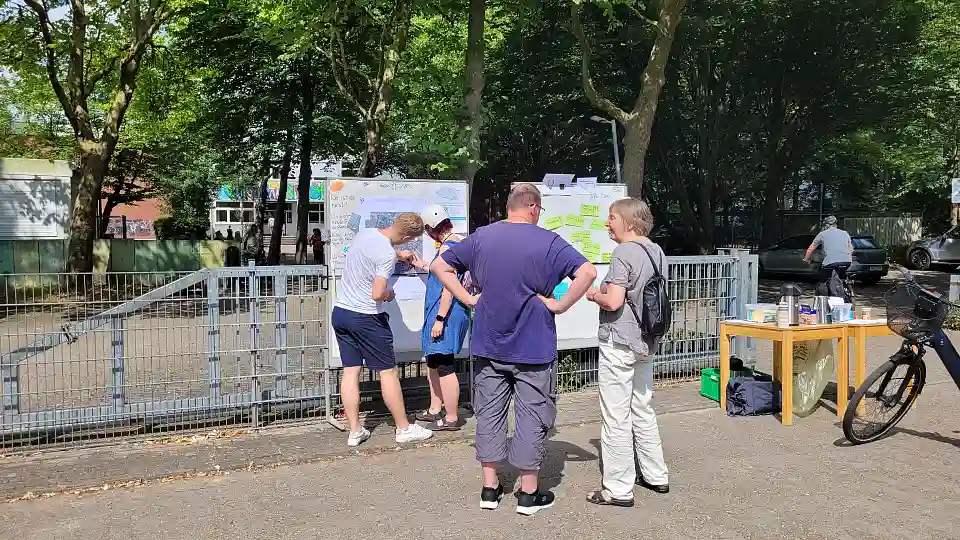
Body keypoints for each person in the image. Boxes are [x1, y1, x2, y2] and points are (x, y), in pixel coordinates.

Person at [431, 183, 597, 516]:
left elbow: (439, 267)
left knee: (489, 414)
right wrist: (560, 305)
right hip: (533, 345)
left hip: (489, 343)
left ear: (510, 207)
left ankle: (489, 489)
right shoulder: (549, 242)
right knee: (532, 415)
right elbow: (588, 272)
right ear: (533, 207)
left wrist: (466, 298)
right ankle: (528, 494)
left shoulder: (481, 238)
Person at [583, 197, 669, 508]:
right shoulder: (656, 251)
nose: (607, 223)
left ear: (629, 223)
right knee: (642, 408)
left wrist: (595, 295)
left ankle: (618, 489)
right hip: (646, 341)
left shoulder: (623, 252)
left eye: (612, 218)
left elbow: (614, 301)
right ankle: (656, 474)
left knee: (615, 416)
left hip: (619, 341)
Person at [331, 213, 434, 447]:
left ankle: (355, 431)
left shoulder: (366, 233)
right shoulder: (387, 254)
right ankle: (403, 428)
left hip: (342, 313)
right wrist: (390, 294)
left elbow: (376, 251)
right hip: (366, 318)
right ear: (407, 236)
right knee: (387, 372)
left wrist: (399, 254)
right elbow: (377, 293)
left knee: (350, 372)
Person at [412, 204, 470, 431]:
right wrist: (424, 265)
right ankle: (435, 408)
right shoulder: (455, 243)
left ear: (430, 228)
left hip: (447, 313)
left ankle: (452, 418)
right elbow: (442, 270)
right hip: (449, 312)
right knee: (434, 361)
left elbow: (449, 285)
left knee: (444, 364)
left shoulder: (448, 248)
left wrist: (440, 318)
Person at [803, 215, 853, 297]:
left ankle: (825, 297)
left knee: (824, 280)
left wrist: (806, 259)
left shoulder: (822, 234)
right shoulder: (845, 233)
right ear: (836, 224)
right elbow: (851, 249)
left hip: (830, 262)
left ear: (826, 225)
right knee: (841, 277)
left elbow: (811, 249)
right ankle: (847, 290)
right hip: (847, 261)